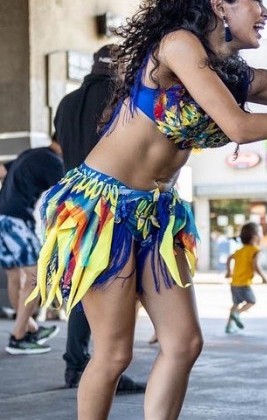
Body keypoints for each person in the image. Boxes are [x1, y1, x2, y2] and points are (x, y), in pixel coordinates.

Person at [28, 1, 267, 418]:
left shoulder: (235, 74)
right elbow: (239, 126)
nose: (266, 12)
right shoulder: (178, 45)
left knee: (184, 343)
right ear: (221, 5)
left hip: (158, 212)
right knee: (114, 354)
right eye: (255, 2)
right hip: (103, 207)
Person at [53, 44, 147, 393]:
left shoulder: (66, 104)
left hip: (72, 205)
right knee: (107, 288)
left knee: (86, 286)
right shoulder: (119, 100)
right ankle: (95, 366)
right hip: (109, 203)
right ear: (120, 68)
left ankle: (78, 362)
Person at [0, 137, 64, 355]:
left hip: (2, 218)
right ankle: (18, 337)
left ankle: (29, 327)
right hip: (17, 221)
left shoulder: (31, 153)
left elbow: (1, 170)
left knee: (14, 277)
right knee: (37, 277)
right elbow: (66, 197)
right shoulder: (54, 162)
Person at [224, 222, 267, 334]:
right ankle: (237, 314)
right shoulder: (255, 251)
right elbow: (256, 265)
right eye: (261, 232)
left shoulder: (240, 250)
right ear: (254, 237)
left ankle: (229, 326)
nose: (262, 235)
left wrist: (229, 271)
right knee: (251, 301)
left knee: (235, 303)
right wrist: (264, 277)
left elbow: (229, 258)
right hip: (244, 283)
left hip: (234, 283)